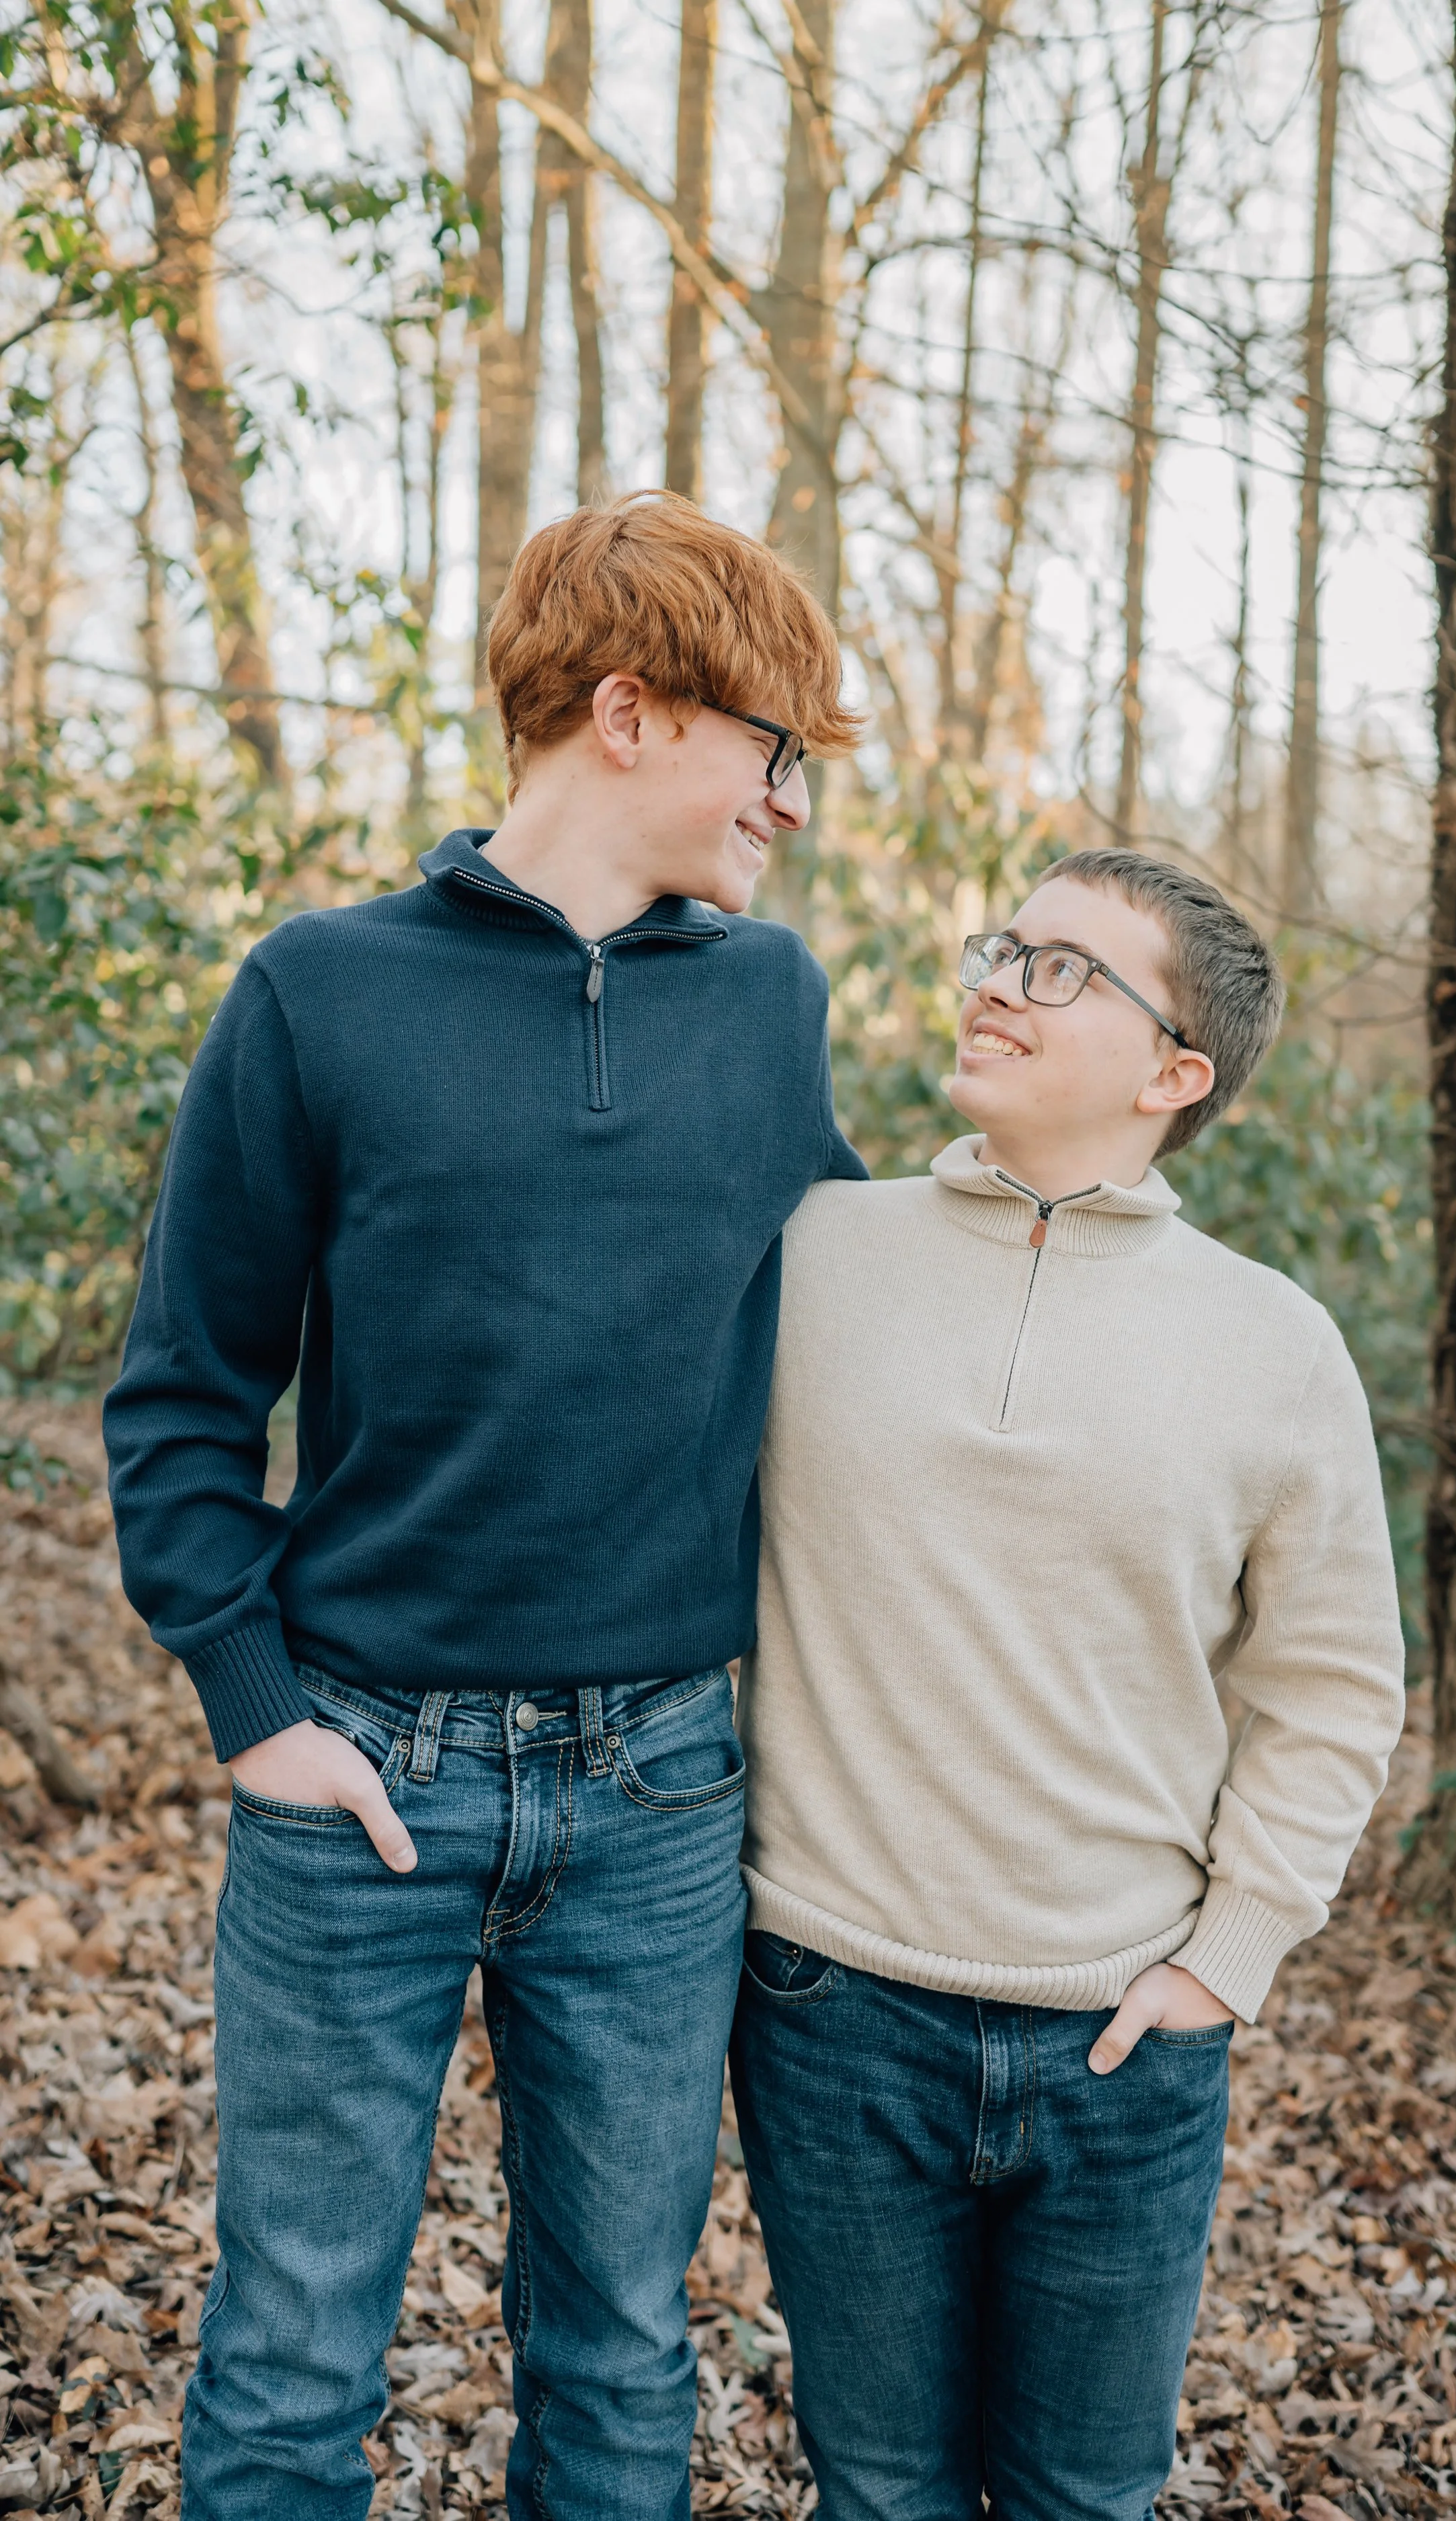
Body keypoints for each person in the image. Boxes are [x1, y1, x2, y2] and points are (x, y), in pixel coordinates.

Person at [102, 491, 866, 2521]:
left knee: (619, 2349)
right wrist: (256, 1702)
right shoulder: (318, 995)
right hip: (361, 1766)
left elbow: (885, 1324)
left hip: (662, 1792)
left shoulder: (770, 1004)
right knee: (288, 2356)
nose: (786, 801)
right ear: (627, 711)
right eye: (765, 746)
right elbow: (182, 1395)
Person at [731, 847, 1406, 2521]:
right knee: (876, 2492)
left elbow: (1332, 1687)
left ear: (1174, 1074)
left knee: (1080, 2499)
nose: (993, 982)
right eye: (998, 945)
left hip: (1126, 2046)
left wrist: (1227, 1956)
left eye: (1057, 970)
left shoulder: (1271, 1341)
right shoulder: (807, 1251)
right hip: (832, 2007)